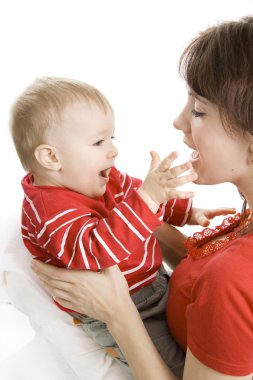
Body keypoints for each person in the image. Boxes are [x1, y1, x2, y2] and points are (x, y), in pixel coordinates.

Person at [31, 16, 253, 379]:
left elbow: (224, 287)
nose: (179, 121)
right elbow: (204, 281)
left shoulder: (234, 278)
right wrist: (137, 212)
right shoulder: (245, 224)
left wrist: (116, 312)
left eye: (199, 110)